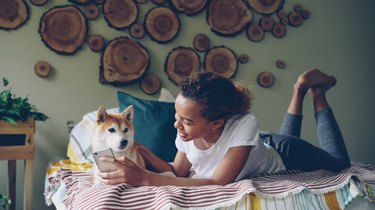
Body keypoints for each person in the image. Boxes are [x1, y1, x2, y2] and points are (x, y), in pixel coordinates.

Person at [99, 69, 351, 187]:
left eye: (186, 121)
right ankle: (298, 91)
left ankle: (316, 93)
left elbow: (218, 181)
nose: (177, 125)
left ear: (217, 123)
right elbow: (176, 171)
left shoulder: (246, 123)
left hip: (287, 153)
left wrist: (145, 178)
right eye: (177, 115)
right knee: (279, 138)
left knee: (340, 164)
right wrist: (142, 151)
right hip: (259, 146)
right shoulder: (186, 131)